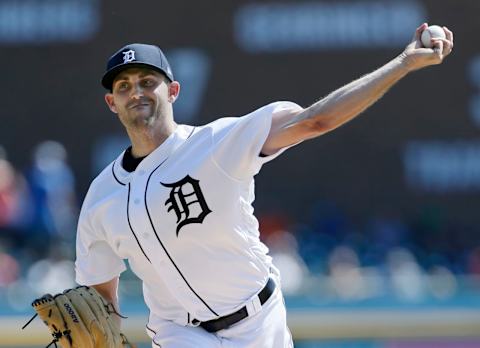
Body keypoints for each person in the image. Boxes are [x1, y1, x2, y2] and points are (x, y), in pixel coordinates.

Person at [75, 23, 453, 347]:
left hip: (258, 323)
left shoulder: (217, 143)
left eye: (147, 81)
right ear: (112, 102)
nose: (136, 92)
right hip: (177, 334)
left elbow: (314, 121)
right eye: (123, 86)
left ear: (173, 91)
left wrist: (402, 64)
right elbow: (101, 299)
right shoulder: (100, 198)